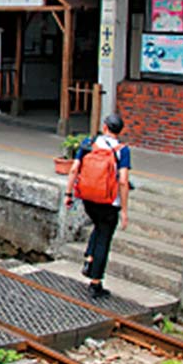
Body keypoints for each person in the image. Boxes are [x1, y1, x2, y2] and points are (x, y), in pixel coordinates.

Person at [64, 114, 130, 299]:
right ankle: (95, 283)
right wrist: (124, 210)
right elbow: (123, 181)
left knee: (98, 226)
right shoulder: (122, 151)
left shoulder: (89, 143)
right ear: (119, 131)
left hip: (88, 198)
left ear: (105, 127)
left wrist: (68, 194)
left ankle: (89, 257)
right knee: (104, 237)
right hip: (109, 202)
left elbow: (74, 169)